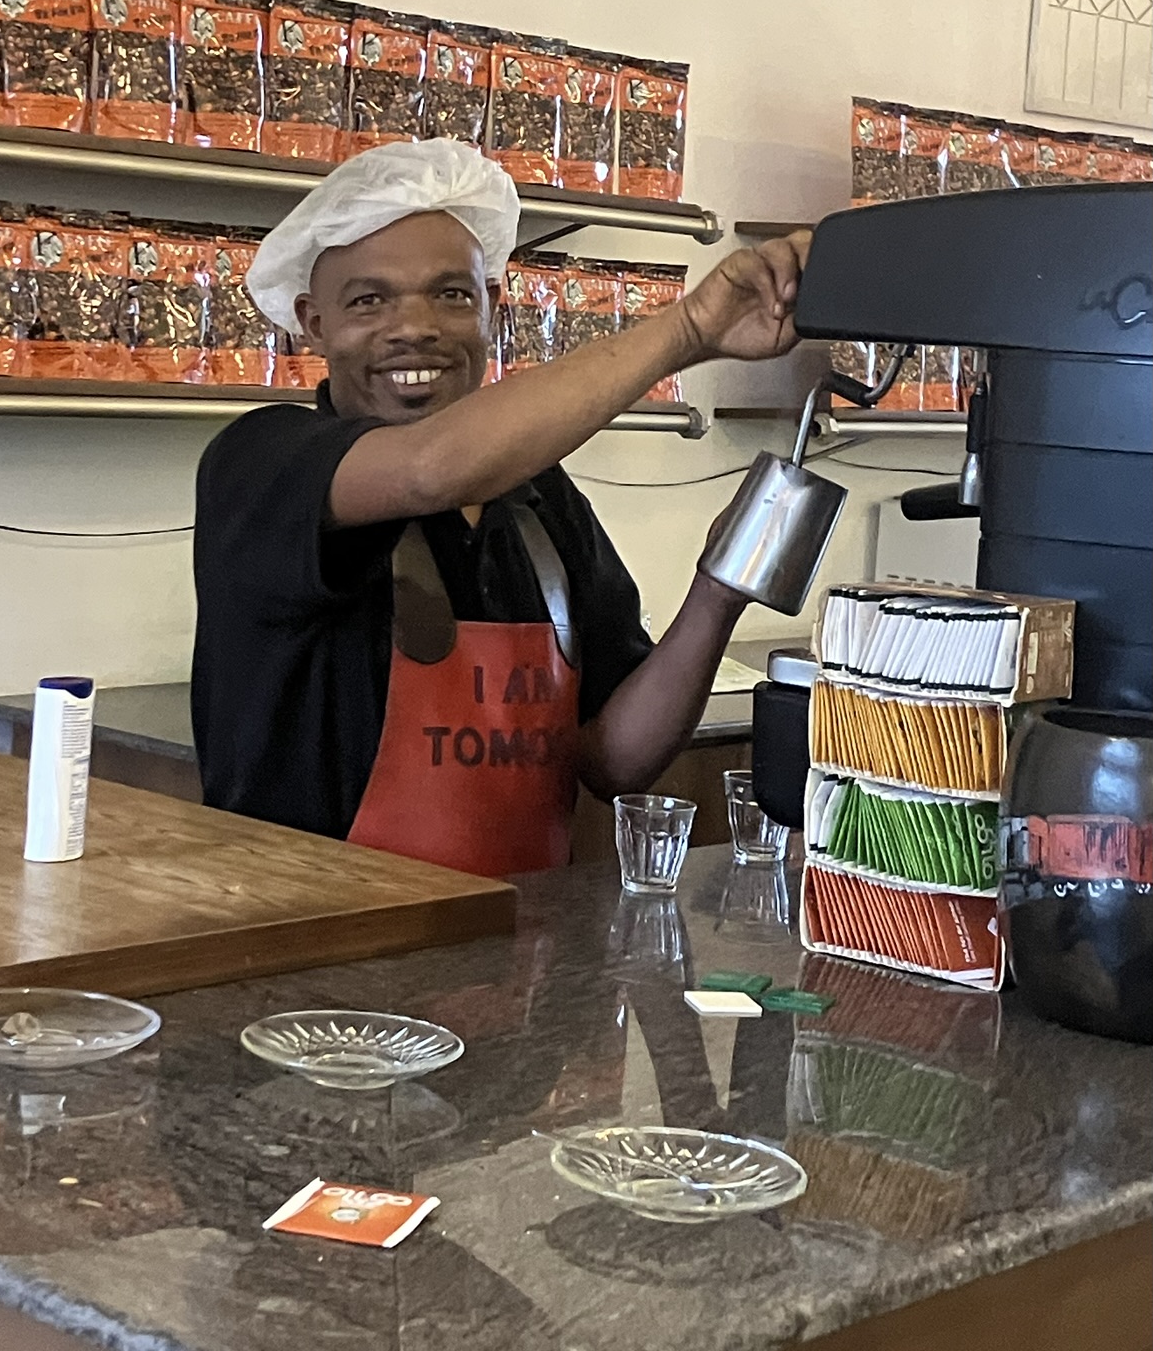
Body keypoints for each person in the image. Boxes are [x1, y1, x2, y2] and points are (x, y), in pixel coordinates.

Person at [192, 140, 807, 877]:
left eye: (452, 294)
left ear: (492, 308)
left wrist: (719, 589)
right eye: (368, 301)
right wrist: (690, 330)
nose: (415, 326)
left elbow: (614, 761)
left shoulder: (540, 498)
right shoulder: (263, 462)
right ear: (312, 322)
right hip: (322, 934)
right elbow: (431, 468)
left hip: (521, 938)